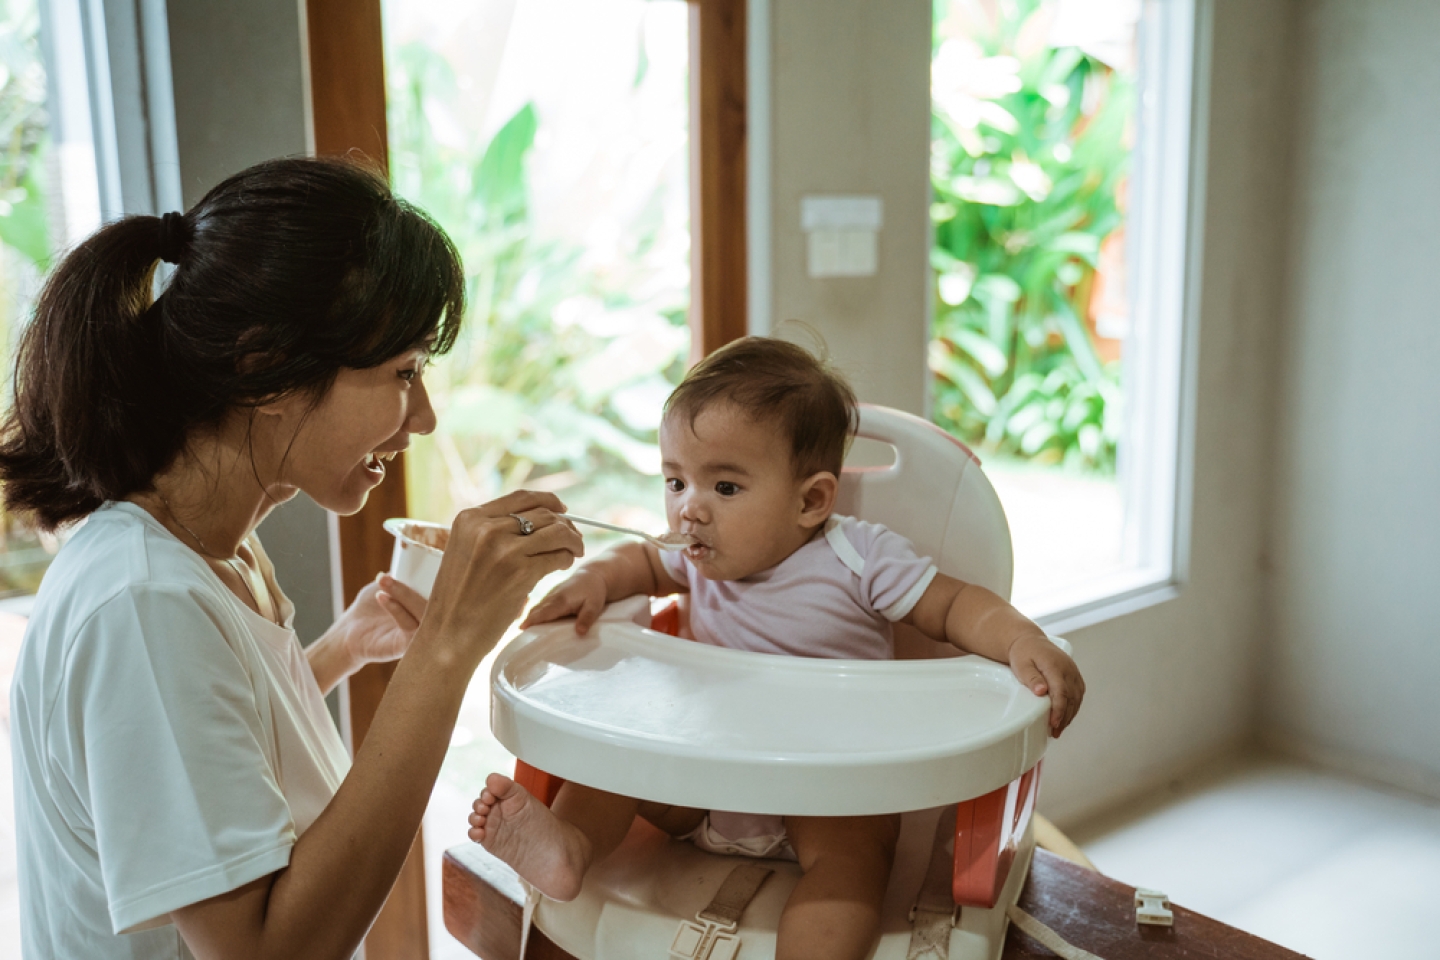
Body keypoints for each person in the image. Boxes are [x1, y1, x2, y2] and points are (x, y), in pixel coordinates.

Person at [2, 157, 584, 960]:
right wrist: (445, 651)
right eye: (403, 373)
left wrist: (342, 649)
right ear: (262, 368)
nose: (423, 417)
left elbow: (208, 760)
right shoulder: (145, 604)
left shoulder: (219, 550)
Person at [468, 336, 1086, 960]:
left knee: (852, 867)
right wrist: (593, 581)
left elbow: (953, 606)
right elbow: (634, 560)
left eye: (725, 487)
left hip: (830, 796)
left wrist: (1020, 639)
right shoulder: (695, 561)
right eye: (676, 481)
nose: (689, 511)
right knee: (608, 771)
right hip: (702, 783)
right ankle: (569, 847)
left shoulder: (859, 558)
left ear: (812, 500)